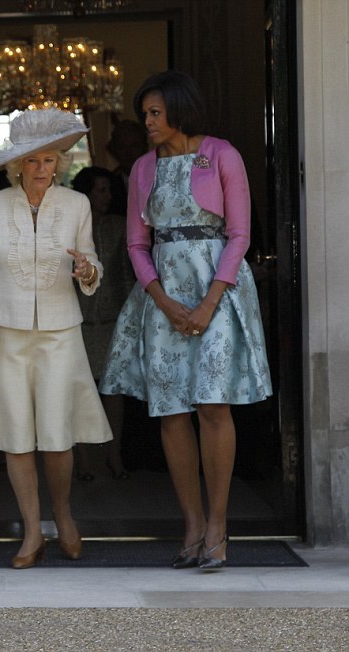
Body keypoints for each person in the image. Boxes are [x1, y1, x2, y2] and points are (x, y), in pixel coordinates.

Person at [99, 70, 273, 572]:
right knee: (171, 411)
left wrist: (208, 302)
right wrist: (162, 299)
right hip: (162, 297)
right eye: (145, 115)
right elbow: (135, 244)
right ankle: (192, 525)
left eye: (155, 113)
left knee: (212, 405)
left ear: (179, 109)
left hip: (218, 289)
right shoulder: (141, 170)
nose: (148, 123)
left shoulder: (221, 154)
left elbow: (239, 236)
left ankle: (219, 526)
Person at [0, 108, 113, 569]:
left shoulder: (76, 205)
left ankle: (63, 514)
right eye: (34, 161)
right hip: (5, 330)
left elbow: (93, 267)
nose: (44, 168)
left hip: (61, 331)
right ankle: (30, 529)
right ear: (16, 165)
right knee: (16, 437)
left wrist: (87, 270)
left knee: (58, 437)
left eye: (50, 160)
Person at [70, 166, 134, 481]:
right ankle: (83, 460)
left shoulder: (121, 226)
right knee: (80, 391)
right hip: (77, 321)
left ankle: (114, 455)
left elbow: (126, 273)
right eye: (100, 190)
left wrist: (128, 314)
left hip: (113, 320)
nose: (107, 196)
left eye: (109, 190)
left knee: (113, 392)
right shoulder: (70, 229)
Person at [105, 119, 148, 217]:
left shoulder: (163, 179)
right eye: (122, 147)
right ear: (115, 151)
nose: (129, 153)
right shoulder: (108, 185)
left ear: (145, 147)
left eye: (135, 146)